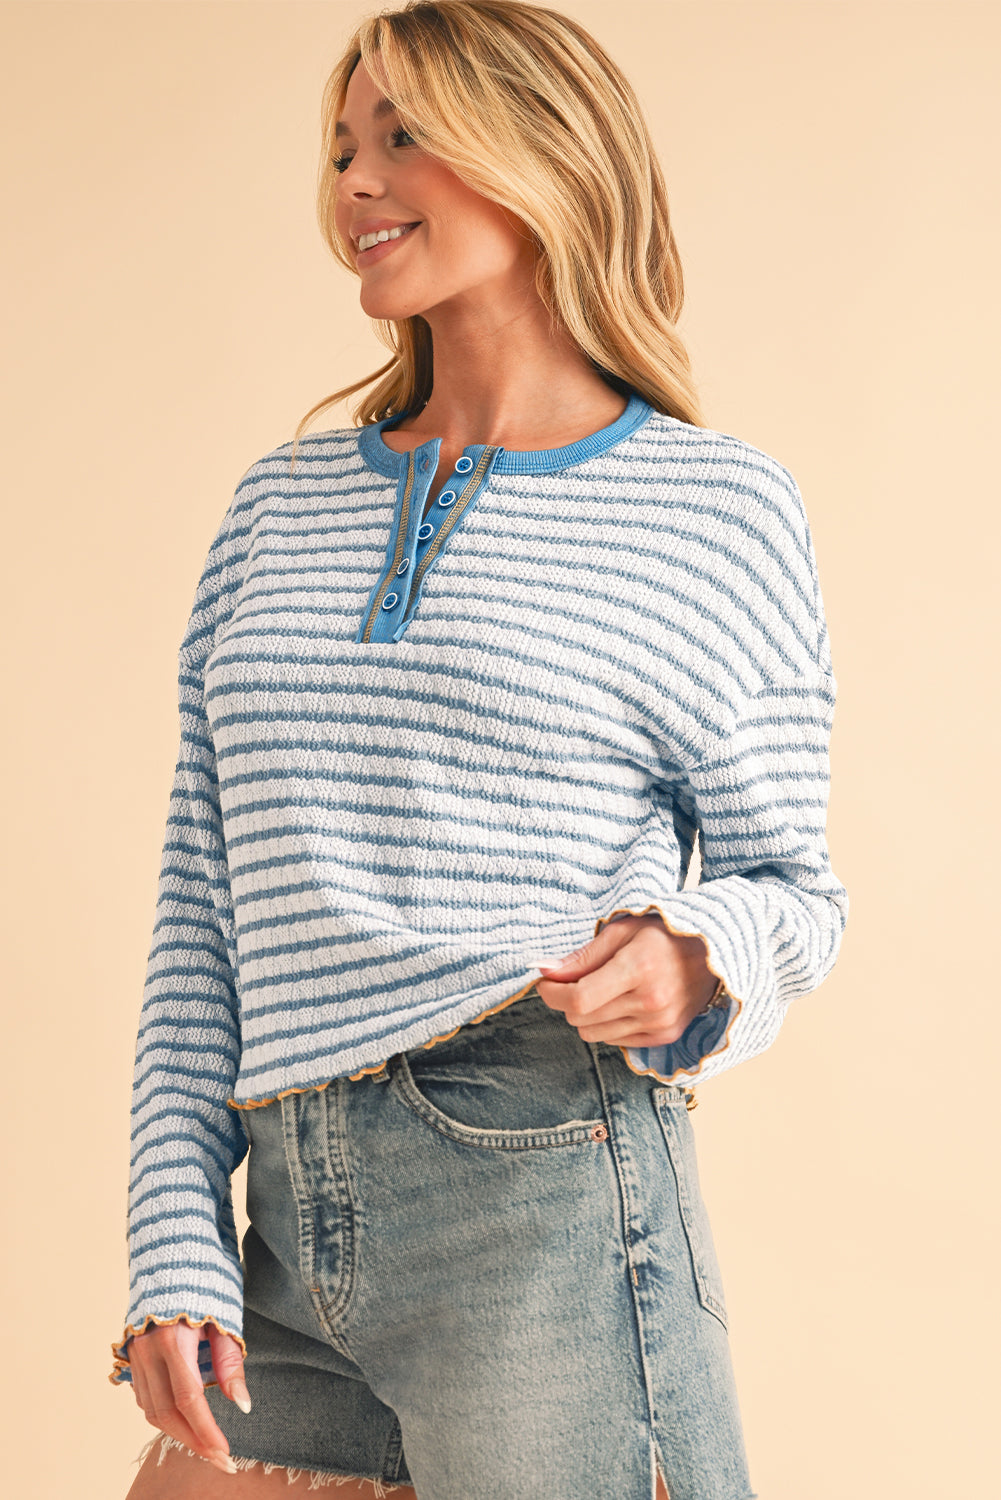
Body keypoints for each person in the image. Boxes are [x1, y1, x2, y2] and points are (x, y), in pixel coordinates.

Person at [116, 3, 848, 1497]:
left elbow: (795, 889)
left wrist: (697, 955)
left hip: (536, 1189)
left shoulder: (712, 509)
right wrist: (170, 1237)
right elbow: (203, 903)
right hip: (285, 1213)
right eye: (339, 148)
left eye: (405, 136)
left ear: (547, 157)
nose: (356, 184)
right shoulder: (280, 506)